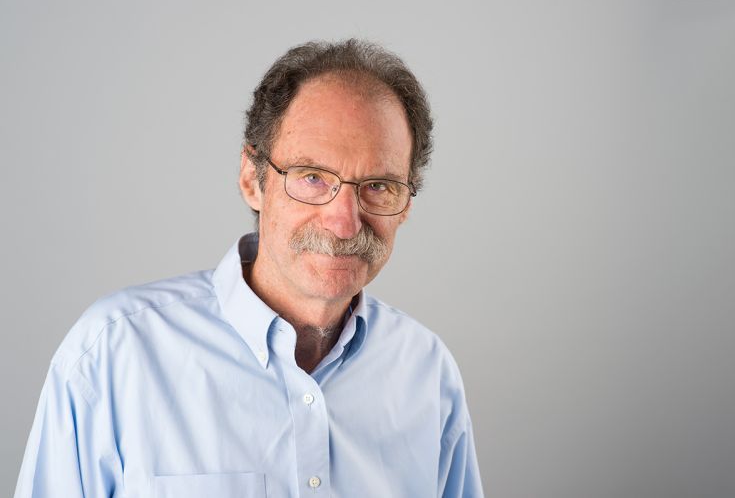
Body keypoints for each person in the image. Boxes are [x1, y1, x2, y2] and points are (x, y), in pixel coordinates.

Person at [14, 38, 484, 498]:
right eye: (312, 177)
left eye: (378, 185)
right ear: (251, 180)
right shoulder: (113, 356)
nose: (344, 222)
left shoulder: (427, 372)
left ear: (405, 203)